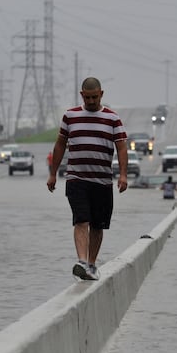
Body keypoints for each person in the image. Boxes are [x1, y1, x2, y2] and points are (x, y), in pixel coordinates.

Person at [47, 77, 128, 281]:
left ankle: (91, 264)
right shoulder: (70, 116)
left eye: (95, 97)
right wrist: (53, 174)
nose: (91, 101)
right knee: (81, 220)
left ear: (101, 94)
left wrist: (124, 175)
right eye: (88, 97)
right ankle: (82, 261)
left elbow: (121, 147)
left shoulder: (112, 119)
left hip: (102, 181)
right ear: (82, 95)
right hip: (77, 178)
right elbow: (59, 145)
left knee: (98, 226)